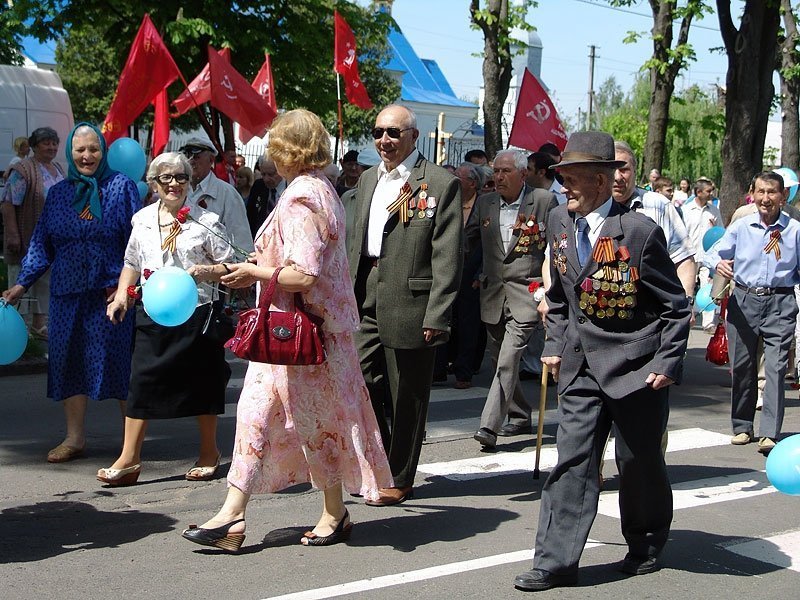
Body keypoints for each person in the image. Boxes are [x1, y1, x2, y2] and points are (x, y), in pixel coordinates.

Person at [182, 109, 392, 551]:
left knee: (311, 423)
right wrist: (245, 266)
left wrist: (253, 273)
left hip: (301, 336)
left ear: (286, 149)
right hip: (299, 333)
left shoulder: (301, 197)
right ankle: (234, 515)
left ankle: (330, 512)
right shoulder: (319, 188)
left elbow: (303, 275)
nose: (270, 153)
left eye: (275, 144)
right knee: (263, 417)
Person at [514, 131, 690, 592]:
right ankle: (554, 562)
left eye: (571, 178)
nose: (563, 186)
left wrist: (667, 363)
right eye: (561, 178)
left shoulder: (639, 232)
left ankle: (646, 544)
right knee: (571, 461)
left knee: (638, 464)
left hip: (636, 370)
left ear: (599, 180)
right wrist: (553, 344)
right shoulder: (558, 220)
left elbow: (675, 307)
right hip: (580, 367)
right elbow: (559, 298)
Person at [343, 104, 462, 506]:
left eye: (393, 132)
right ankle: (380, 461)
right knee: (361, 382)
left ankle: (399, 475)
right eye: (378, 132)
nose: (384, 140)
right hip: (365, 292)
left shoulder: (440, 183)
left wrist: (438, 313)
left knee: (406, 394)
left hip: (412, 300)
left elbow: (448, 255)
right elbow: (355, 240)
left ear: (414, 136)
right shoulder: (368, 179)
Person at [1, 123, 140, 463]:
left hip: (111, 294)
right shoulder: (60, 193)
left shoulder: (120, 187)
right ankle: (75, 438)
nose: (87, 156)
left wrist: (131, 287)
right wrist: (21, 284)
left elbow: (137, 242)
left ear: (103, 151)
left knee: (119, 365)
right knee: (69, 363)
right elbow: (42, 244)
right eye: (80, 150)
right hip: (67, 294)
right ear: (70, 153)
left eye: (93, 149)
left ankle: (130, 447)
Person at [99, 152, 235, 486]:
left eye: (181, 177)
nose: (174, 184)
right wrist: (122, 295)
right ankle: (129, 459)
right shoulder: (142, 220)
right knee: (141, 382)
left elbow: (231, 265)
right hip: (153, 310)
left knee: (203, 383)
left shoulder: (206, 221)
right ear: (154, 183)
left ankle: (209, 453)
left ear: (190, 182)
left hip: (197, 312)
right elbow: (132, 261)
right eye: (166, 178)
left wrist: (205, 271)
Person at [704, 171, 800, 456]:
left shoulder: (794, 230)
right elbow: (711, 253)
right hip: (744, 300)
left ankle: (769, 432)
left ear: (783, 196)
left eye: (772, 192)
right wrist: (718, 264)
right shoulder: (742, 226)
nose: (765, 198)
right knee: (743, 366)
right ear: (753, 195)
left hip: (780, 301)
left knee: (775, 368)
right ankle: (742, 425)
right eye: (761, 192)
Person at [467, 149, 557, 449]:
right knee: (500, 363)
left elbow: (556, 249)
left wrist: (551, 290)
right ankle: (519, 413)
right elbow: (468, 241)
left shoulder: (543, 201)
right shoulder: (486, 203)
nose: (499, 177)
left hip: (527, 294)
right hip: (492, 294)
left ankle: (488, 425)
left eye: (506, 171)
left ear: (523, 174)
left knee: (508, 359)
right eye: (496, 171)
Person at [1, 127, 65, 339]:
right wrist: (12, 234)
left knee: (46, 281)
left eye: (54, 143)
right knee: (20, 278)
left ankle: (38, 325)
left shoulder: (57, 168)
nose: (52, 147)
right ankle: (13, 328)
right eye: (46, 143)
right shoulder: (23, 170)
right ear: (34, 146)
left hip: (51, 239)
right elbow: (8, 204)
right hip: (27, 236)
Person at [612, 141, 696, 301]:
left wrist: (686, 302)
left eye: (624, 169)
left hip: (653, 306)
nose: (618, 177)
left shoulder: (659, 205)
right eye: (612, 169)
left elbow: (683, 258)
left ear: (635, 171)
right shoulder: (592, 208)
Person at [434, 162, 485, 389]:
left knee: (467, 323)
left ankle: (464, 371)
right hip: (446, 269)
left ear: (472, 183)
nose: (453, 180)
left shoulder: (483, 204)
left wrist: (480, 272)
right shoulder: (448, 200)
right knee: (442, 317)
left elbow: (488, 242)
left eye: (459, 177)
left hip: (470, 273)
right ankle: (438, 369)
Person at [181, 137, 254, 256]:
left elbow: (241, 242)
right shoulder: (178, 190)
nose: (191, 161)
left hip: (214, 264)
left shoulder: (227, 194)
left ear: (211, 160)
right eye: (187, 156)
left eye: (196, 156)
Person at [682, 178, 722, 331]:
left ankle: (708, 323)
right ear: (699, 192)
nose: (711, 194)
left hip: (707, 256)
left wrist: (715, 229)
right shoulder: (686, 210)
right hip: (689, 255)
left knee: (708, 287)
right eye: (708, 191)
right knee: (687, 287)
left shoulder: (714, 211)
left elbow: (720, 232)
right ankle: (685, 317)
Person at [246, 156, 285, 237]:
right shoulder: (258, 186)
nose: (266, 179)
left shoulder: (291, 188)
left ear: (281, 170)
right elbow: (250, 216)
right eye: (263, 174)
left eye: (271, 174)